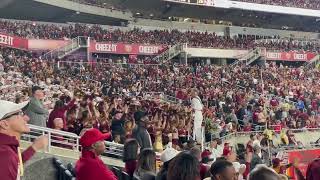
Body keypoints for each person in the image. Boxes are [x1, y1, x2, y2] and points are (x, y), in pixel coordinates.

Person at [0, 100, 48, 180]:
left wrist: (34, 148)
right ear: (4, 124)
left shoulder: (6, 149)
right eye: (19, 114)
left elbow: (15, 163)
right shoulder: (4, 154)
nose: (27, 118)